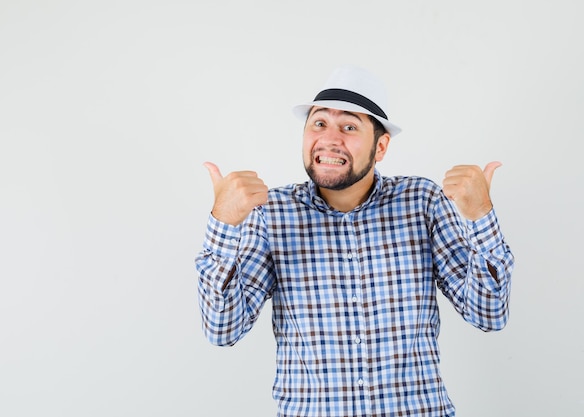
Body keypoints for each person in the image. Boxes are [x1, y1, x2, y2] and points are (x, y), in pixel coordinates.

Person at [195, 66, 514, 417]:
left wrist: (480, 217)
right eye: (319, 124)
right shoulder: (271, 214)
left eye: (349, 127)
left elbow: (489, 314)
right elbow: (222, 329)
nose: (330, 139)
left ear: (381, 147)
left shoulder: (422, 202)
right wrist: (223, 225)